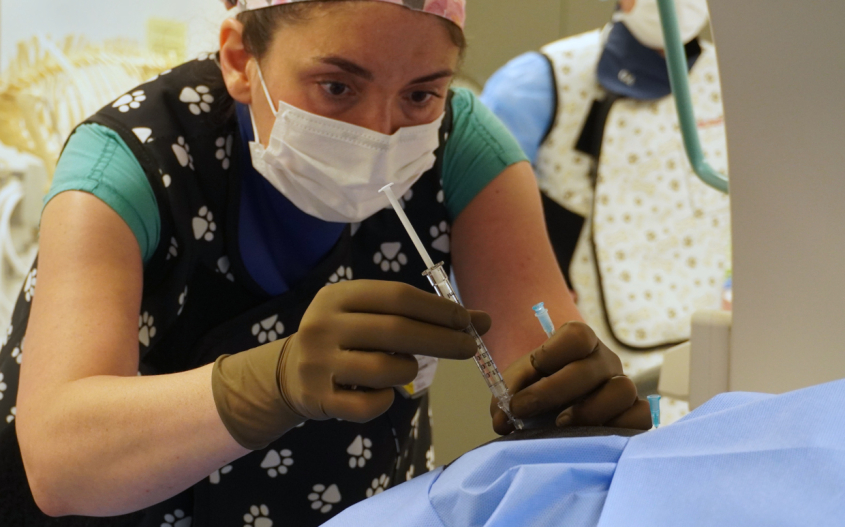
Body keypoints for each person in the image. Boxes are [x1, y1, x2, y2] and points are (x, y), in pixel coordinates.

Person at [0, 1, 650, 525]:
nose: (380, 133)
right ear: (238, 58)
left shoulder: (463, 151)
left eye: (420, 96)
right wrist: (269, 381)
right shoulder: (130, 163)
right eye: (337, 86)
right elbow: (61, 464)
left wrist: (577, 405)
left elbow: (541, 375)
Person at [480, 0, 731, 384]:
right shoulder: (538, 83)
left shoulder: (736, 82)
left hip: (713, 343)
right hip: (586, 348)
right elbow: (480, 226)